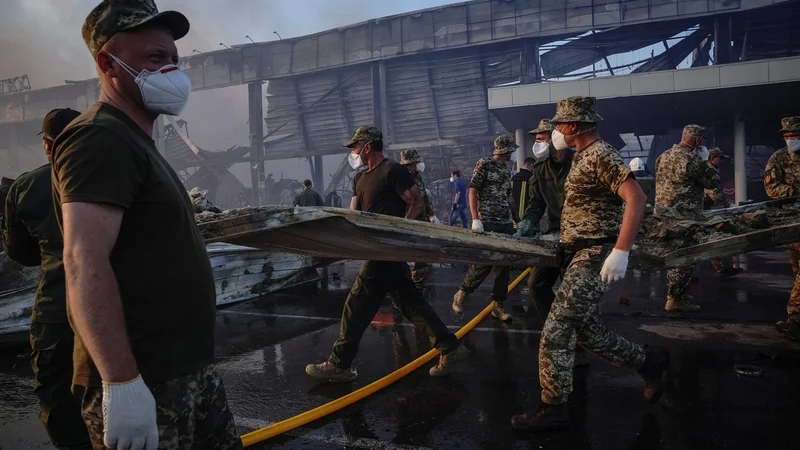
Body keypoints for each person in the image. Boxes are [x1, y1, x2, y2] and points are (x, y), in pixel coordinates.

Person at [51, 2, 241, 449]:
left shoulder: (137, 140)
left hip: (184, 371)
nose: (171, 70)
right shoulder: (100, 137)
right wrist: (121, 382)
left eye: (173, 59)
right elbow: (83, 260)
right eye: (155, 59)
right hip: (146, 378)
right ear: (107, 64)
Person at [511, 96, 668, 432]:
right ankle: (648, 362)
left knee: (556, 329)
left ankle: (553, 406)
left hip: (595, 255)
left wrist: (621, 251)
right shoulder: (582, 156)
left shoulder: (600, 154)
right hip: (579, 252)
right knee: (585, 331)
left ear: (574, 126)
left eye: (558, 125)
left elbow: (636, 198)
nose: (554, 131)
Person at [305, 126, 469, 381]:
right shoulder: (360, 178)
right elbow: (354, 212)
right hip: (376, 248)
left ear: (368, 146)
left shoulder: (393, 171)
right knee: (410, 302)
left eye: (356, 147)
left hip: (385, 250)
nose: (354, 152)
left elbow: (416, 202)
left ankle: (340, 364)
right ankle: (451, 347)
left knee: (356, 304)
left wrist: (397, 236)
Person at [1, 108, 92, 450]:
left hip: (58, 307)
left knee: (58, 393)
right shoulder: (113, 175)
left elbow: (19, 254)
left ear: (48, 144)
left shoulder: (25, 187)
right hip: (118, 304)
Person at [452, 136, 518, 322]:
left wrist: (517, 220)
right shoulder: (485, 164)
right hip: (487, 221)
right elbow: (472, 190)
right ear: (505, 150)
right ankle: (462, 293)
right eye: (511, 150)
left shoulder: (506, 171)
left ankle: (498, 305)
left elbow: (508, 197)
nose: (513, 153)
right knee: (485, 262)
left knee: (504, 265)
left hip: (504, 222)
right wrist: (475, 218)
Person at [514, 118, 573, 325]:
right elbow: (536, 204)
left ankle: (579, 333)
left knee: (573, 289)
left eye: (542, 139)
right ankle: (554, 326)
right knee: (536, 284)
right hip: (554, 233)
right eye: (536, 140)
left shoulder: (578, 162)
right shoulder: (540, 169)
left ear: (556, 139)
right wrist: (527, 222)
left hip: (579, 235)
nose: (537, 144)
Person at [654, 125, 720, 312]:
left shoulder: (663, 156)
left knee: (674, 254)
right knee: (685, 256)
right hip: (685, 217)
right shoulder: (692, 159)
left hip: (664, 214)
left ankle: (678, 294)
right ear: (698, 140)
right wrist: (706, 160)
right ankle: (675, 299)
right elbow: (712, 180)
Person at [765, 116, 800, 341]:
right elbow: (771, 188)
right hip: (791, 220)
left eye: (795, 136)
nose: (790, 140)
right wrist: (795, 194)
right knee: (797, 270)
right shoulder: (778, 158)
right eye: (787, 137)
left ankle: (796, 319)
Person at [399, 149, 439, 292]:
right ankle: (404, 291)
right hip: (407, 222)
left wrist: (431, 214)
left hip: (420, 222)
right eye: (417, 162)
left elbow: (424, 196)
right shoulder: (399, 178)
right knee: (400, 258)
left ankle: (417, 289)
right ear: (410, 164)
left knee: (422, 257)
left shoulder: (416, 176)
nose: (421, 164)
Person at [704, 147, 743, 278]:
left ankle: (724, 268)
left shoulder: (704, 169)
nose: (721, 161)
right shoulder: (709, 171)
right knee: (716, 236)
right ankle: (724, 268)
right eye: (720, 158)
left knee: (711, 238)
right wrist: (730, 206)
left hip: (701, 208)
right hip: (699, 210)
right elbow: (714, 193)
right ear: (713, 158)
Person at [511, 157, 535, 222]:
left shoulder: (514, 177)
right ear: (531, 165)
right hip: (527, 217)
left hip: (513, 217)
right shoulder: (531, 178)